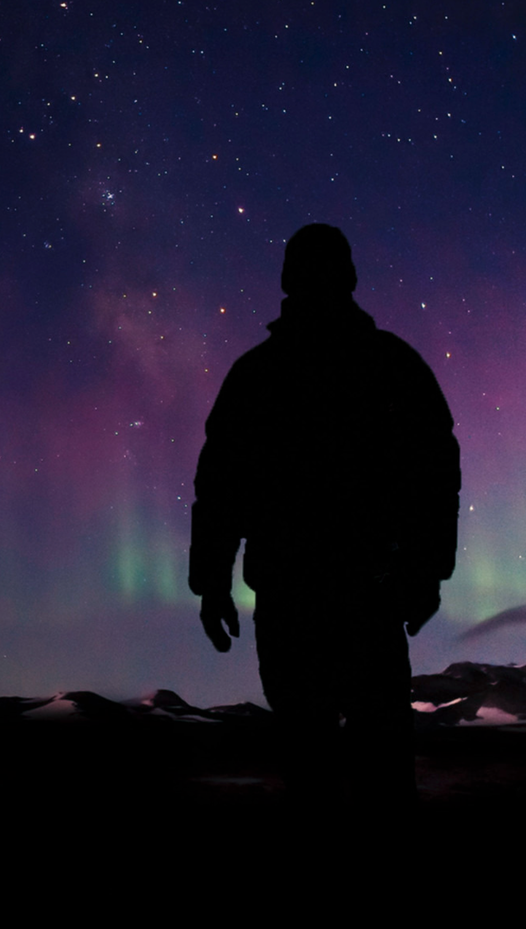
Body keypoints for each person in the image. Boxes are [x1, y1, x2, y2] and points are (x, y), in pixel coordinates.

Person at [188, 223, 460, 810]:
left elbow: (220, 489)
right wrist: (428, 571)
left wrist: (211, 583)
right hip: (355, 598)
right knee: (371, 766)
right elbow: (435, 473)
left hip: (314, 600)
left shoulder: (258, 374)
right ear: (351, 277)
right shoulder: (391, 365)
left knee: (319, 766)